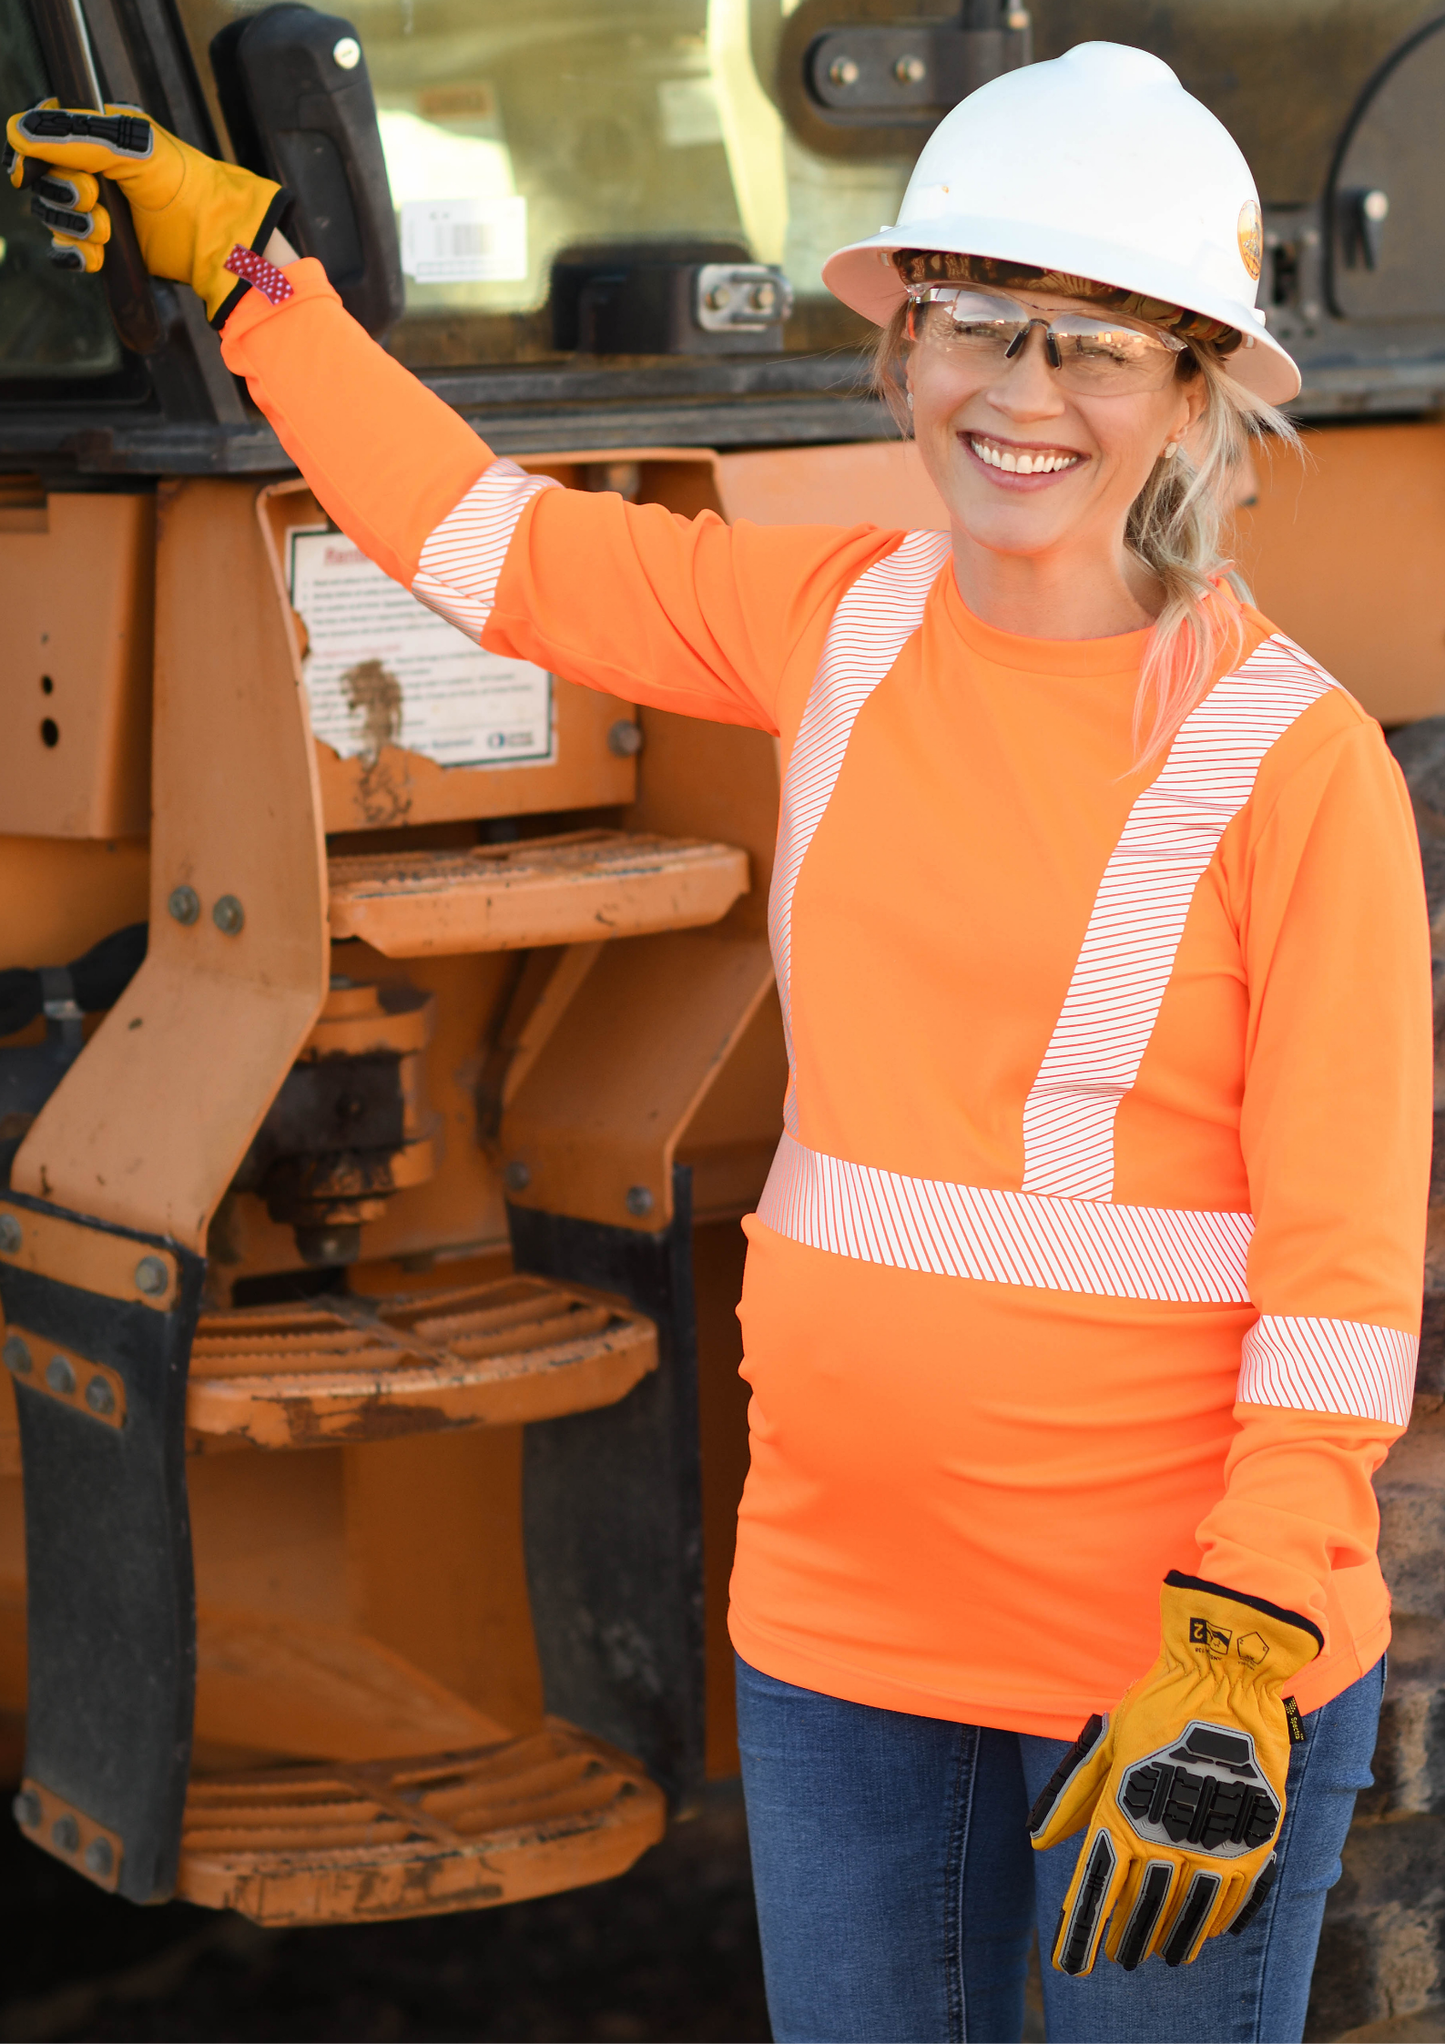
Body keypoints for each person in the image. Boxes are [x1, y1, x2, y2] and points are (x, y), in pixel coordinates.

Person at [10, 40, 1429, 2044]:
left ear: (1193, 388)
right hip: (840, 1608)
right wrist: (259, 285)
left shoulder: (1287, 769)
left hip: (1166, 1644)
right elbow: (485, 540)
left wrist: (1246, 1622)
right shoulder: (828, 618)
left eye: (1094, 347)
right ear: (902, 351)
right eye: (976, 328)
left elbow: (1343, 1275)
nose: (1021, 398)